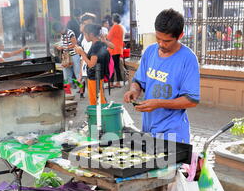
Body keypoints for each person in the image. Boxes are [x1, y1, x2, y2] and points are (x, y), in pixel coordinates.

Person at [124, 8, 200, 144]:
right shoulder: (150, 52)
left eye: (167, 41)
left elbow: (191, 100)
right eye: (158, 38)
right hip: (148, 128)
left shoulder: (188, 59)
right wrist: (134, 90)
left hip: (173, 133)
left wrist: (159, 103)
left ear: (180, 35)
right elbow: (139, 81)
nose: (161, 44)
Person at [74, 23, 114, 106]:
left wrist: (81, 53)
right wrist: (82, 52)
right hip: (96, 76)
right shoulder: (99, 43)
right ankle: (99, 117)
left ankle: (102, 117)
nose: (84, 36)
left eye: (85, 34)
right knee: (97, 99)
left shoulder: (96, 46)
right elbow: (112, 46)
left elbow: (91, 64)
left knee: (97, 101)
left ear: (91, 34)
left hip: (95, 77)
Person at [53, 22, 80, 93]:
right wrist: (58, 45)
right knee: (66, 76)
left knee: (77, 74)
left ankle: (81, 89)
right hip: (66, 57)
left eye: (59, 31)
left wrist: (63, 47)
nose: (59, 33)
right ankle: (68, 92)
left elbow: (74, 44)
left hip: (74, 56)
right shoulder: (62, 34)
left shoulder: (70, 33)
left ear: (62, 28)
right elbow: (63, 43)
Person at [77, 12, 96, 98]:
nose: (86, 26)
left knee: (97, 96)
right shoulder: (82, 37)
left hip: (95, 70)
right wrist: (81, 73)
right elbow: (82, 58)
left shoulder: (95, 37)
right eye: (84, 24)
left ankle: (102, 111)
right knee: (92, 96)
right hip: (86, 70)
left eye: (89, 24)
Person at [107, 13, 125, 88]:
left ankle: (111, 83)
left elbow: (108, 37)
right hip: (118, 49)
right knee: (116, 67)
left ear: (113, 20)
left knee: (111, 66)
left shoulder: (114, 27)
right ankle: (118, 82)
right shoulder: (121, 27)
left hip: (113, 49)